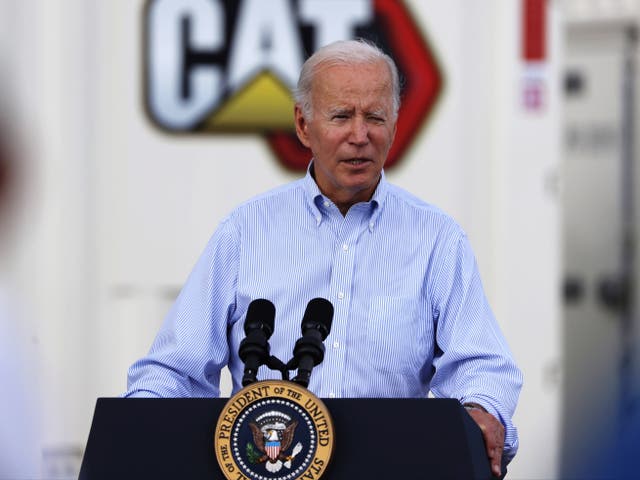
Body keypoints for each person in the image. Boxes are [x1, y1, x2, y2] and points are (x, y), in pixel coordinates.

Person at [126, 39, 522, 476]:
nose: (360, 135)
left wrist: (483, 408)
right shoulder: (244, 232)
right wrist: (140, 428)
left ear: (393, 123)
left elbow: (481, 363)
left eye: (375, 117)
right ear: (303, 124)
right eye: (341, 116)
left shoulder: (438, 240)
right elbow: (173, 371)